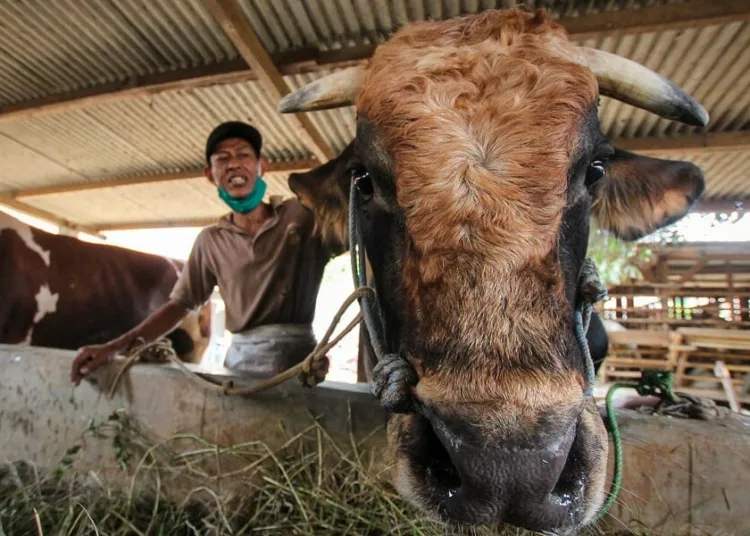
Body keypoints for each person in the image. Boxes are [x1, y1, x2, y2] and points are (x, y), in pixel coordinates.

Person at [71, 121, 335, 385]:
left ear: (261, 166)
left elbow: (357, 229)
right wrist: (114, 348)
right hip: (241, 368)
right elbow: (179, 305)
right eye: (223, 159)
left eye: (243, 154)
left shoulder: (303, 215)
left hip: (303, 366)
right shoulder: (210, 241)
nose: (234, 164)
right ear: (210, 175)